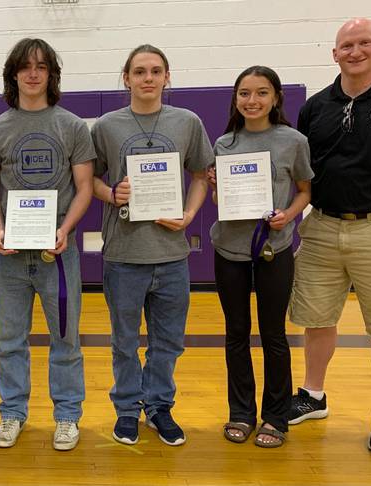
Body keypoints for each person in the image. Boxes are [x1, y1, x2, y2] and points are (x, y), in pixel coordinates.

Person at [287, 18, 371, 455]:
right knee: (317, 316)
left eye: (364, 43)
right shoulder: (315, 107)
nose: (355, 51)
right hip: (323, 225)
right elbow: (300, 168)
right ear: (335, 53)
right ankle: (313, 394)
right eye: (347, 45)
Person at [91, 44, 213, 447]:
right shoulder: (107, 125)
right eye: (139, 71)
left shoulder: (187, 122)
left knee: (168, 341)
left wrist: (190, 215)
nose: (148, 78)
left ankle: (159, 406)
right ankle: (127, 408)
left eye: (156, 71)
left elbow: (200, 174)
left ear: (166, 77)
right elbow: (87, 179)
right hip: (124, 255)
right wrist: (112, 195)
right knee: (124, 341)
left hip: (171, 254)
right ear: (126, 78)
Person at [0, 38, 94, 451]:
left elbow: (83, 188)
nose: (32, 73)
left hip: (58, 253)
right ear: (13, 74)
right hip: (9, 256)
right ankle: (12, 413)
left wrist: (67, 228)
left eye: (41, 67)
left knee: (66, 338)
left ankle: (66, 416)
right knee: (10, 340)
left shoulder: (73, 126)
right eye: (25, 67)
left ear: (51, 75)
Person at [207, 66, 312, 448]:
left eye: (261, 93)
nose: (253, 101)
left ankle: (276, 417)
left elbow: (305, 190)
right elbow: (221, 203)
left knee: (274, 335)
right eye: (245, 94)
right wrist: (219, 188)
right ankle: (241, 412)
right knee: (236, 334)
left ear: (276, 98)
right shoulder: (224, 145)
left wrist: (289, 214)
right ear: (235, 99)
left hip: (274, 249)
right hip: (229, 250)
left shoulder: (293, 141)